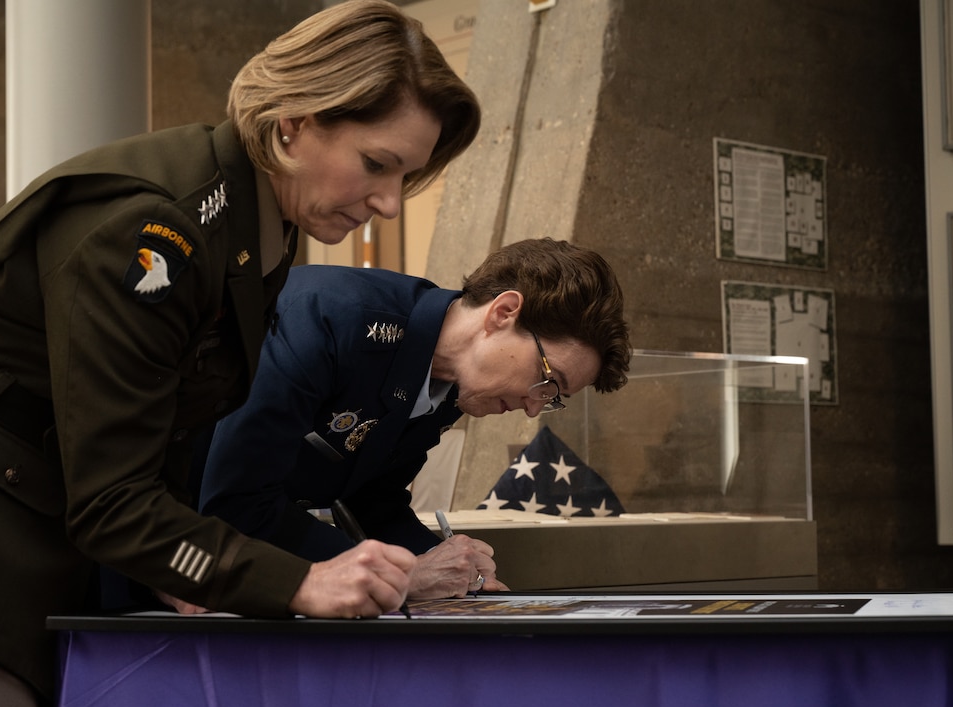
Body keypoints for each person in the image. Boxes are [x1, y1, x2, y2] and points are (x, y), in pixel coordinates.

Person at [0, 1, 480, 707]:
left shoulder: (251, 218)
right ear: (292, 123)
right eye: (376, 165)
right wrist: (301, 581)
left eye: (406, 178)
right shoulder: (157, 230)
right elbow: (112, 499)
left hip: (25, 564)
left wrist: (191, 563)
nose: (389, 204)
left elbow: (153, 436)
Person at [199, 237, 631, 600]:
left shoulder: (448, 389)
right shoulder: (331, 319)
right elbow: (235, 503)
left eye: (554, 399)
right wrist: (403, 577)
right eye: (546, 379)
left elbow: (375, 501)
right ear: (503, 313)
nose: (535, 407)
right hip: (165, 562)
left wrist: (454, 571)